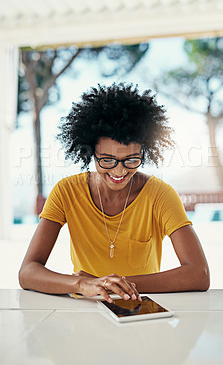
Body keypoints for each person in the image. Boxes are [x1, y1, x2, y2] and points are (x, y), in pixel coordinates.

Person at [19, 83, 210, 303]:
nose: (119, 171)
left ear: (144, 152)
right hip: (85, 309)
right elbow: (27, 272)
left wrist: (112, 285)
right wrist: (83, 284)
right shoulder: (67, 192)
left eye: (131, 159)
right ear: (91, 152)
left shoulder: (161, 195)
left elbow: (199, 274)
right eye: (107, 160)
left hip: (139, 310)